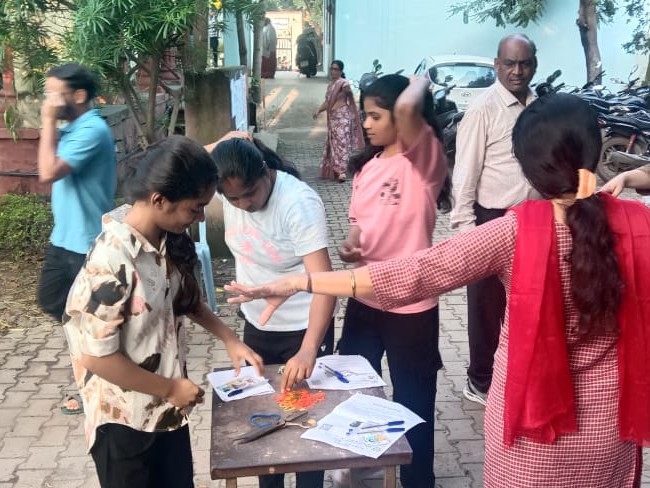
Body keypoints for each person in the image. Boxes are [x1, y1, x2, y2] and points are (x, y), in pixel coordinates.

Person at [226, 93, 650, 488]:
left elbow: (414, 274)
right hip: (610, 431)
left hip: (533, 432)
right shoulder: (638, 224)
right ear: (596, 151)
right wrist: (633, 176)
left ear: (525, 167)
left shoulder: (515, 232)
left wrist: (301, 280)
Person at [62, 135, 264, 488]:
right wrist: (170, 388)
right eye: (195, 208)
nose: (201, 216)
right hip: (124, 421)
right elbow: (95, 356)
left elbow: (184, 299)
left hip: (165, 413)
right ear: (159, 200)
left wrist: (230, 339)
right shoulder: (111, 260)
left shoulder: (163, 236)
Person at [336, 73, 451, 488]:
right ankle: (362, 465)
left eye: (375, 115)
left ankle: (417, 481)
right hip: (364, 300)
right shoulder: (367, 167)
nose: (366, 124)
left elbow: (407, 107)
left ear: (402, 117)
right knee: (353, 391)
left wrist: (422, 80)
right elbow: (357, 222)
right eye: (364, 115)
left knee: (413, 403)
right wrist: (351, 244)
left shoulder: (425, 163)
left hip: (412, 308)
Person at [208, 132, 337, 488]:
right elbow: (178, 160)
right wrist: (224, 143)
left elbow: (325, 284)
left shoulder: (298, 202)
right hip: (258, 324)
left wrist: (308, 349)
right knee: (264, 419)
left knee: (305, 424)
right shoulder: (229, 190)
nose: (244, 204)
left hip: (304, 327)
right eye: (233, 199)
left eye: (250, 193)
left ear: (265, 171)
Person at [450, 33, 540, 406]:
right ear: (497, 65)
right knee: (486, 307)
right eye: (510, 63)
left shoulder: (538, 106)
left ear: (534, 64)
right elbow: (464, 174)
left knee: (526, 305)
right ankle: (480, 381)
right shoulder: (482, 109)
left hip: (532, 220)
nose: (517, 71)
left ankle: (516, 376)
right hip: (490, 219)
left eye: (524, 63)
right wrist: (467, 233)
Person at [37, 63, 116, 322]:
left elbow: (48, 172)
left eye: (54, 94)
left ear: (79, 95)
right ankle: (86, 342)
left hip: (86, 243)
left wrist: (48, 120)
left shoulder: (92, 130)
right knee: (51, 300)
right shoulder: (71, 130)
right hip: (63, 238)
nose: (48, 101)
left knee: (92, 314)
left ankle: (99, 345)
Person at [313, 60, 364, 182]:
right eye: (331, 69)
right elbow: (327, 102)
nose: (333, 71)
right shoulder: (330, 86)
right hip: (333, 119)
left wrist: (348, 90)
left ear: (341, 71)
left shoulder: (343, 83)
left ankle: (342, 171)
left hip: (343, 118)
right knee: (334, 145)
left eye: (335, 69)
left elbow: (348, 93)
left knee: (342, 143)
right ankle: (336, 169)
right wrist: (318, 110)